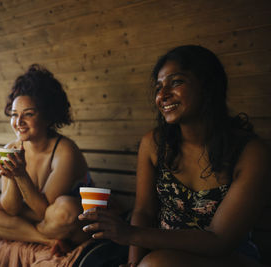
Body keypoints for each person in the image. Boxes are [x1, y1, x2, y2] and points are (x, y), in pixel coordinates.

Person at [79, 45, 270, 266]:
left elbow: (220, 240)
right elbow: (144, 211)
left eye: (176, 82)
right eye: (159, 87)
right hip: (159, 253)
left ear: (207, 85)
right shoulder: (154, 144)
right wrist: (133, 262)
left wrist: (130, 234)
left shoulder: (250, 153)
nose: (162, 95)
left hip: (229, 257)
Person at [0, 64, 91, 254]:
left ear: (47, 116)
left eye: (28, 114)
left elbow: (46, 212)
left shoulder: (65, 150)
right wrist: (11, 176)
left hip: (69, 221)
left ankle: (27, 233)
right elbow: (11, 209)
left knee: (65, 210)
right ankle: (47, 240)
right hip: (43, 222)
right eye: (14, 115)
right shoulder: (11, 149)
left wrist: (21, 175)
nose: (18, 123)